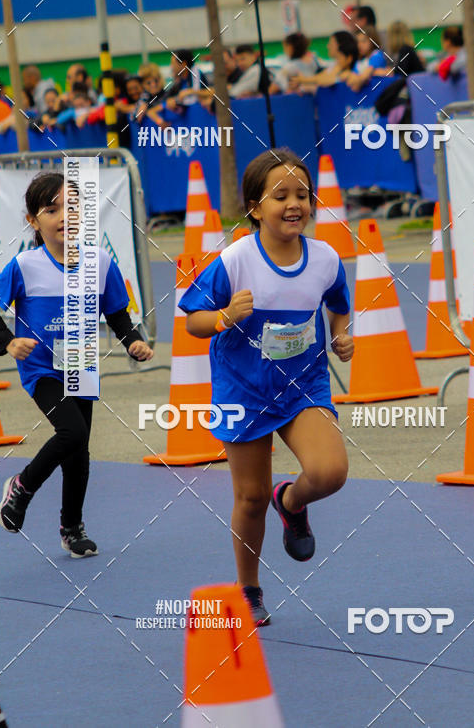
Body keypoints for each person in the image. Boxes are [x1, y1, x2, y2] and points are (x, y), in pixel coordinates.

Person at [179, 148, 353, 626]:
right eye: (280, 196)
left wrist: (340, 335)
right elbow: (193, 319)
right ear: (255, 208)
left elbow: (338, 305)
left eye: (303, 194)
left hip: (302, 386)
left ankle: (291, 502)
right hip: (244, 389)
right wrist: (223, 317)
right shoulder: (235, 260)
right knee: (250, 498)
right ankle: (249, 590)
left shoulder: (325, 259)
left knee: (330, 472)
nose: (294, 204)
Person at [0, 172, 153, 554]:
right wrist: (9, 341)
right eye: (52, 210)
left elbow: (116, 313)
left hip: (81, 363)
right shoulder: (25, 265)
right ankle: (22, 486)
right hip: (42, 369)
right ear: (33, 221)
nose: (65, 216)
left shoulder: (100, 262)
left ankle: (72, 528)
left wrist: (133, 342)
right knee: (72, 433)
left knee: (79, 451)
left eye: (72, 207)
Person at [290, 31, 358, 90]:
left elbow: (327, 79)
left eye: (331, 43)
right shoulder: (334, 65)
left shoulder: (348, 64)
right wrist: (301, 80)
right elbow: (321, 77)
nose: (328, 46)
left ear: (340, 45)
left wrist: (303, 80)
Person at [346, 26, 387, 91]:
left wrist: (358, 79)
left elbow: (362, 78)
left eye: (363, 41)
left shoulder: (377, 55)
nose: (360, 45)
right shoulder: (359, 61)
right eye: (358, 42)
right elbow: (351, 80)